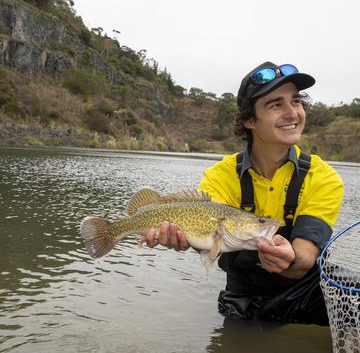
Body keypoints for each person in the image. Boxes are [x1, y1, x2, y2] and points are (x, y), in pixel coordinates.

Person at [144, 61, 344, 325]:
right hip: (245, 297)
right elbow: (203, 228)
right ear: (250, 119)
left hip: (308, 293)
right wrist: (181, 237)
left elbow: (305, 258)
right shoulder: (221, 176)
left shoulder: (325, 177)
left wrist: (290, 257)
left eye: (295, 101)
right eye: (276, 104)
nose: (293, 113)